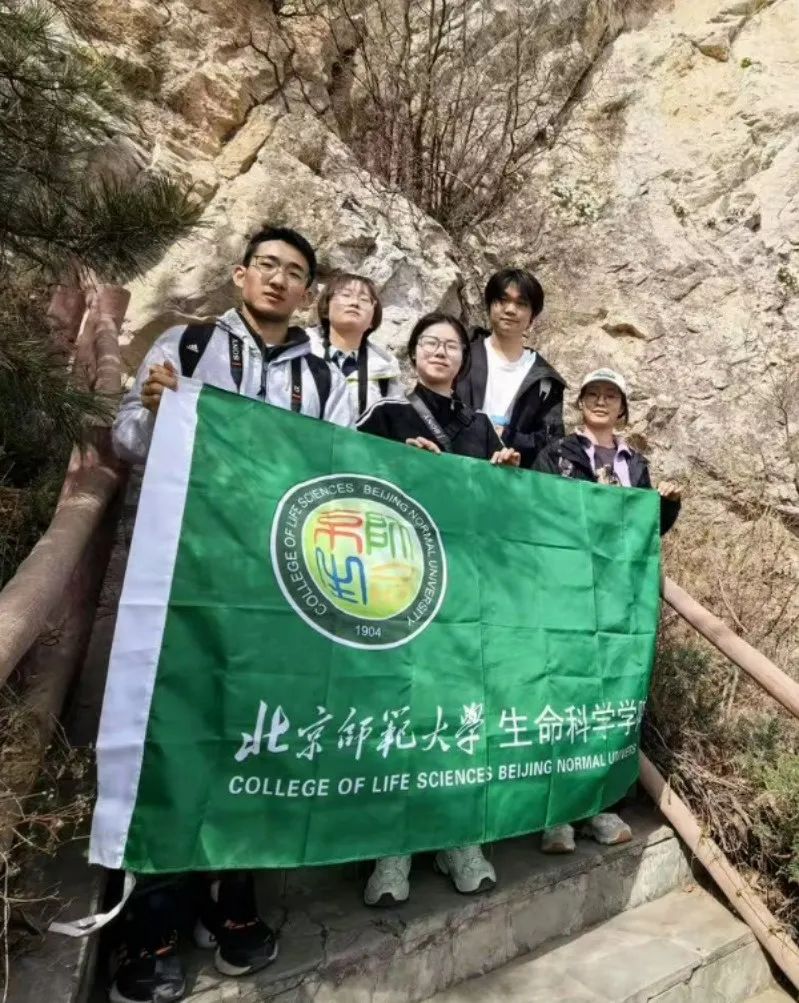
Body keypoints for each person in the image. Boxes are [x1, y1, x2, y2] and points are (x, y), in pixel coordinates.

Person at [108, 227, 352, 1003]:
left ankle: (232, 897)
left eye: (295, 272)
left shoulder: (325, 376)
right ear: (241, 274)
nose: (279, 280)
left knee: (257, 730)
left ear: (307, 293)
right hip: (185, 569)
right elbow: (126, 436)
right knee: (176, 725)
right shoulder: (186, 344)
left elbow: (340, 468)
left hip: (277, 582)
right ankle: (154, 917)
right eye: (267, 266)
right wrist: (153, 410)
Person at [357, 311, 519, 906]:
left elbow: (504, 513)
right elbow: (342, 475)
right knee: (400, 713)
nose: (441, 352)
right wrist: (400, 464)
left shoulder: (481, 427)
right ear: (413, 353)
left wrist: (506, 477)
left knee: (463, 714)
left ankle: (459, 840)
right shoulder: (385, 414)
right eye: (430, 342)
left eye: (452, 345)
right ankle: (392, 851)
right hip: (400, 587)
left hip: (468, 590)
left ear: (463, 361)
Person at [533, 367, 682, 853]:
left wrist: (667, 507)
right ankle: (556, 813)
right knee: (563, 692)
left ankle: (598, 806)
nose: (601, 401)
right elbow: (541, 514)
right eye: (592, 394)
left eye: (611, 396)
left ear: (622, 408)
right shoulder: (555, 454)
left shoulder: (634, 464)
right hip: (568, 591)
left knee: (609, 697)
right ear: (580, 403)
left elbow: (644, 531)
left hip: (619, 598)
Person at [456, 267, 565, 468]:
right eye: (502, 300)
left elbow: (551, 445)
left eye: (521, 304)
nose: (510, 309)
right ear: (489, 305)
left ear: (532, 317)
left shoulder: (545, 380)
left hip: (511, 479)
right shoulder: (461, 356)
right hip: (455, 470)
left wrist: (508, 437)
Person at [309, 271, 402, 417]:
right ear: (326, 308)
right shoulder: (299, 353)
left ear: (372, 320)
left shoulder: (386, 371)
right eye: (346, 295)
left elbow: (395, 423)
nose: (355, 303)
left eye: (364, 299)